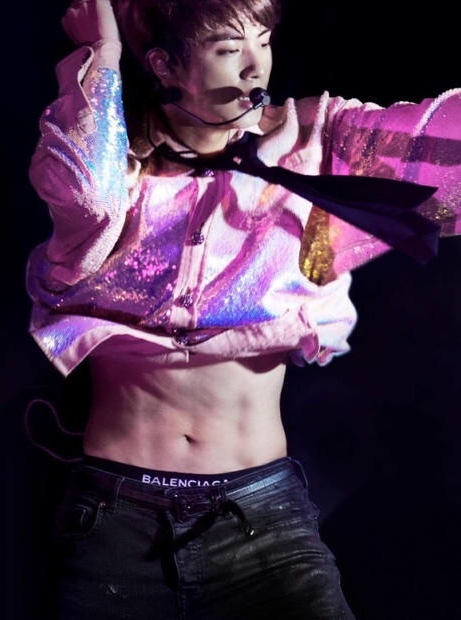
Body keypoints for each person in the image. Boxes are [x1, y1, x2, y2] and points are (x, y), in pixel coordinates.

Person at [25, 0, 461, 617]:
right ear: (166, 65)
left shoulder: (312, 145)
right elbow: (85, 196)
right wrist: (104, 53)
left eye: (264, 41)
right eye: (230, 49)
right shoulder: (115, 163)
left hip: (260, 520)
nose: (256, 67)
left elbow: (447, 148)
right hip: (114, 520)